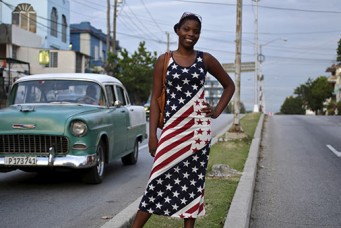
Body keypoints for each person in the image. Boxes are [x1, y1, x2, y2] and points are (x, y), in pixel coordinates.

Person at [131, 12, 235, 228]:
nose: (191, 34)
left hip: (197, 131)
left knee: (193, 184)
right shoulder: (164, 60)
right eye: (187, 29)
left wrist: (215, 111)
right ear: (177, 30)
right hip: (172, 129)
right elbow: (156, 99)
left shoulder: (205, 59)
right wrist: (153, 136)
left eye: (196, 31)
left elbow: (229, 85)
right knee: (156, 181)